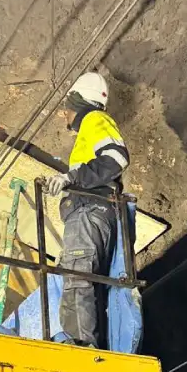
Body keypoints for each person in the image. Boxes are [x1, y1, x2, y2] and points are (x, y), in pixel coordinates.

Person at [45, 71, 129, 348]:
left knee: (78, 274)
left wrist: (71, 178)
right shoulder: (89, 129)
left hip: (90, 209)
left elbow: (116, 157)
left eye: (66, 107)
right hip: (91, 212)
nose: (63, 115)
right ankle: (82, 342)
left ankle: (80, 346)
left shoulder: (95, 119)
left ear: (79, 101)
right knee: (78, 275)